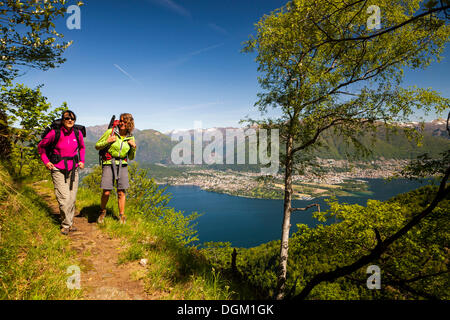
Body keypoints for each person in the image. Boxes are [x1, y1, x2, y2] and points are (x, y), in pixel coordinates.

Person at [38, 110, 85, 235]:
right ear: (62, 120)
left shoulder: (77, 133)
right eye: (67, 118)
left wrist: (82, 160)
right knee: (64, 199)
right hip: (58, 169)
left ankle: (68, 222)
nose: (70, 120)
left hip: (73, 168)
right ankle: (66, 224)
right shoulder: (54, 133)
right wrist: (46, 162)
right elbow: (41, 147)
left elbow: (82, 147)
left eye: (72, 119)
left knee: (72, 198)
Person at [95, 113, 137, 224]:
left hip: (122, 165)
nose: (122, 123)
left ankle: (122, 215)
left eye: (125, 121)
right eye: (121, 121)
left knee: (121, 192)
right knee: (107, 191)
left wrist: (134, 147)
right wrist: (107, 141)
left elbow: (131, 157)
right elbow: (97, 146)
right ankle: (102, 211)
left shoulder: (131, 137)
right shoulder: (111, 132)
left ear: (130, 124)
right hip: (109, 163)